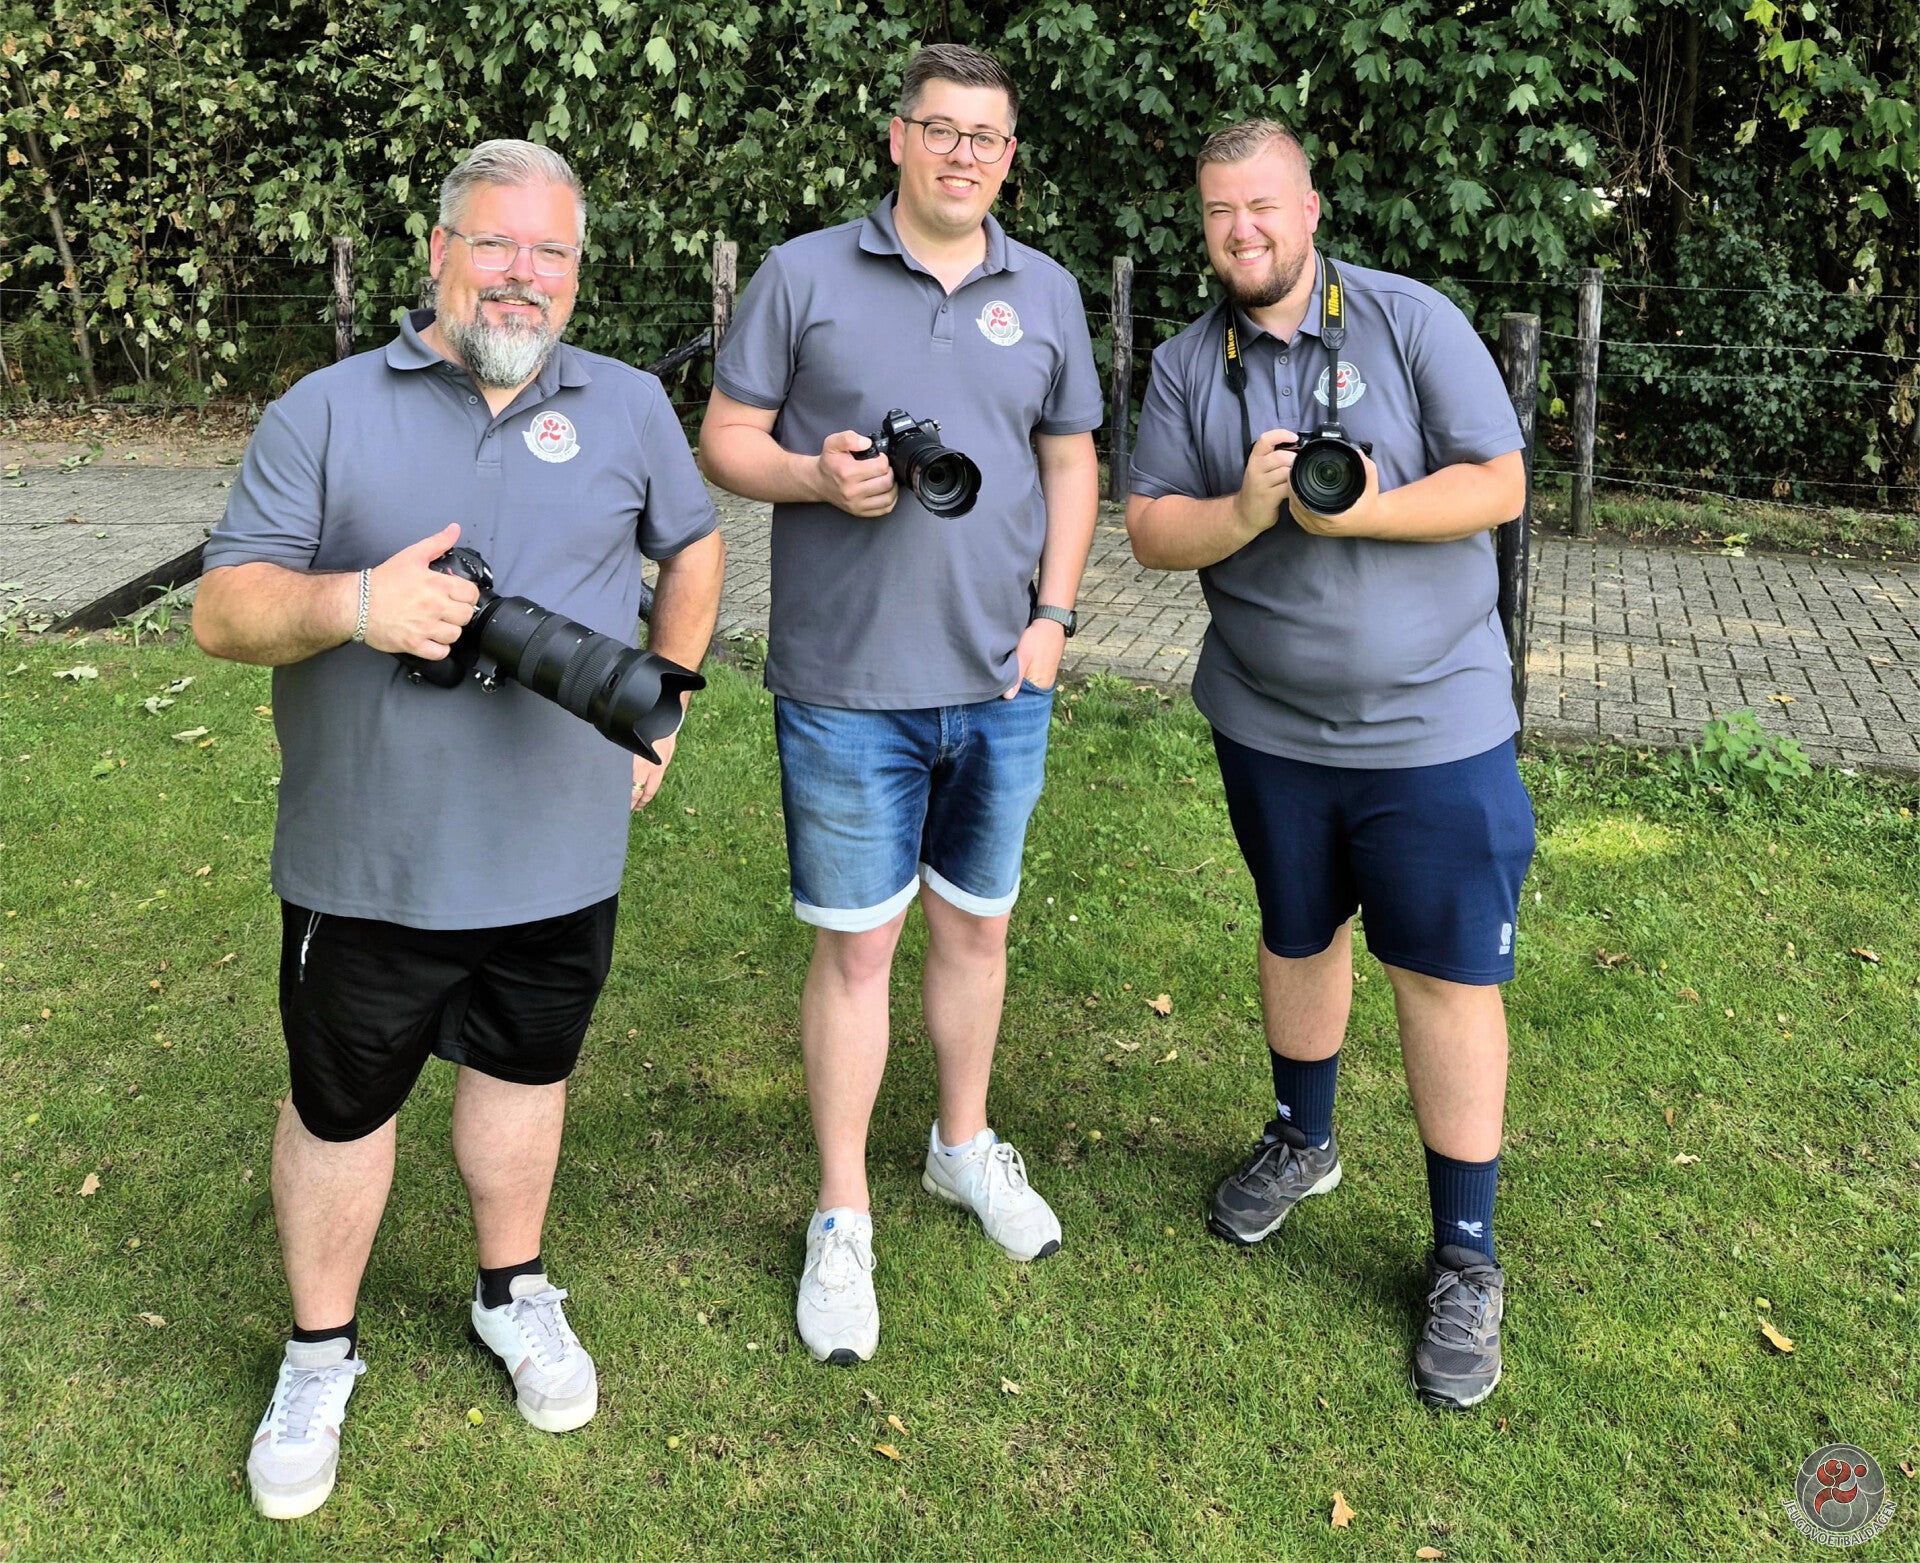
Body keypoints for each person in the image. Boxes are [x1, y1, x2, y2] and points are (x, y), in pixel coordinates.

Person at [192, 139, 724, 1516]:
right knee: (340, 1107)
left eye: (551, 252)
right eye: (496, 244)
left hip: (559, 852)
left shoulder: (628, 405)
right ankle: (319, 1354)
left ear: (578, 271)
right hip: (369, 858)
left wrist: (664, 698)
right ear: (439, 251)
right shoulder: (326, 410)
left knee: (525, 1077)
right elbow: (225, 609)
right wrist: (358, 606)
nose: (522, 276)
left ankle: (512, 1290)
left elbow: (695, 544)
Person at [697, 42, 1102, 1365]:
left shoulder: (1046, 290)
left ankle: (960, 1145)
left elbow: (1072, 460)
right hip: (846, 686)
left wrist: (1053, 619)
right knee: (857, 952)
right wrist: (816, 479)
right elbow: (724, 438)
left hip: (1001, 680)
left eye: (987, 136)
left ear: (1009, 155)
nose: (963, 154)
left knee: (977, 932)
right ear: (897, 138)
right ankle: (842, 1212)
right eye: (941, 129)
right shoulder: (803, 273)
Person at [1126, 119, 1532, 1410]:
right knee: (1296, 934)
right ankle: (1304, 1138)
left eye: (1264, 204)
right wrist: (1248, 508)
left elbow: (1502, 482)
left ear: (1310, 208)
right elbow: (1150, 531)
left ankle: (1464, 1254)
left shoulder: (1411, 322)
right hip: (1268, 729)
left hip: (1435, 730)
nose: (1242, 229)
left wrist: (1365, 507)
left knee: (1443, 978)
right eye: (1219, 211)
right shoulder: (1189, 364)